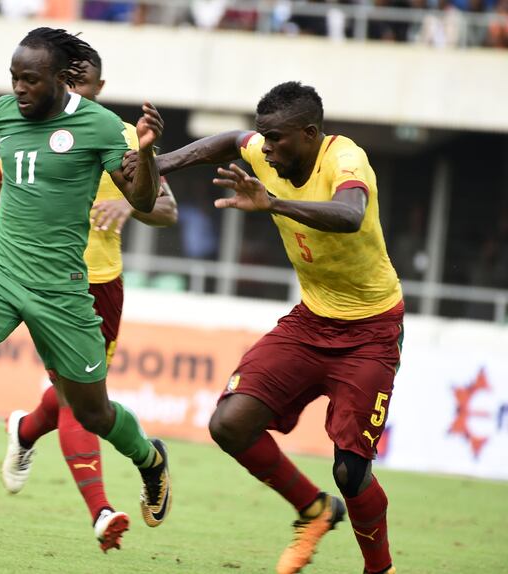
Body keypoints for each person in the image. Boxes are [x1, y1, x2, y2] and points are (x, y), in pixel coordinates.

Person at [0, 27, 173, 543]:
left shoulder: (100, 127)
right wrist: (0, 207)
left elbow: (145, 204)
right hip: (2, 269)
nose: (19, 89)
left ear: (61, 80)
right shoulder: (1, 114)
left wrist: (144, 155)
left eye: (30, 79)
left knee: (93, 412)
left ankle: (149, 457)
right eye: (13, 78)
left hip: (63, 288)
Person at [128, 81, 402, 574]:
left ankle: (379, 569)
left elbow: (350, 213)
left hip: (371, 331)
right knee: (229, 424)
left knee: (351, 469)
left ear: (310, 134)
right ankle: (313, 510)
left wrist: (272, 204)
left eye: (276, 139)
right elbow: (232, 140)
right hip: (311, 321)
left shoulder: (345, 159)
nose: (267, 148)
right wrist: (163, 163)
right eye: (265, 138)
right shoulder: (265, 151)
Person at [0, 52, 177, 552]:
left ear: (100, 84)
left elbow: (167, 210)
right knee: (77, 399)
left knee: (84, 398)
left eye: (81, 81)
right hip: (38, 279)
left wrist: (129, 206)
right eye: (63, 81)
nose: (71, 90)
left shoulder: (121, 136)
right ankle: (102, 510)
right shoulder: (33, 126)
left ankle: (26, 429)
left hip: (99, 286)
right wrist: (4, 213)